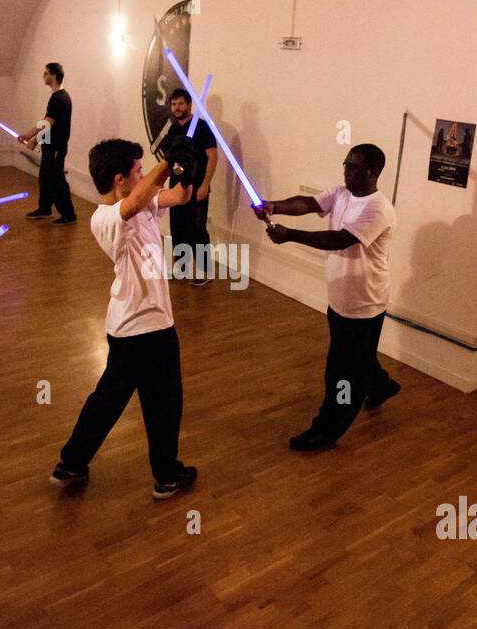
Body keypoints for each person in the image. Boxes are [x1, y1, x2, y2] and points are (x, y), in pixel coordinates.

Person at [52, 138, 198, 499]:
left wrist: (187, 173)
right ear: (120, 179)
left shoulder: (143, 205)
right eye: (138, 170)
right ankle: (166, 476)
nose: (144, 174)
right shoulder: (105, 219)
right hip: (147, 328)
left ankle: (71, 462)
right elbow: (132, 204)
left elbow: (179, 198)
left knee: (108, 399)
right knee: (164, 402)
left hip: (130, 327)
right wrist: (166, 162)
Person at [255, 144, 400, 450]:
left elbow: (342, 239)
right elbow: (308, 203)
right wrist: (273, 206)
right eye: (346, 164)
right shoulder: (342, 192)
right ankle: (382, 384)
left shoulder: (378, 209)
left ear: (372, 172)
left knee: (341, 372)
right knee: (357, 356)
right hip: (340, 299)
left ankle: (327, 429)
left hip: (364, 305)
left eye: (353, 167)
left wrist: (291, 235)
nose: (346, 171)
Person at [157, 88, 219, 285]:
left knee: (197, 229)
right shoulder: (174, 129)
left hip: (197, 187)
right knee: (178, 227)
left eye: (181, 104)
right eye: (173, 104)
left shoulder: (201, 127)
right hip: (177, 189)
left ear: (189, 104)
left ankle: (204, 272)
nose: (177, 108)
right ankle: (181, 268)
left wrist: (205, 185)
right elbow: (169, 160)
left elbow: (213, 157)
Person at [18, 62, 76, 225]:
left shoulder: (60, 98)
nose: (44, 76)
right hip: (50, 145)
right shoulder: (56, 97)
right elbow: (46, 121)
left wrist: (33, 141)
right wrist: (28, 135)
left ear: (54, 76)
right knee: (45, 178)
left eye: (46, 73)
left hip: (56, 147)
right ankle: (45, 208)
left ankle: (69, 214)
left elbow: (49, 123)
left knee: (57, 180)